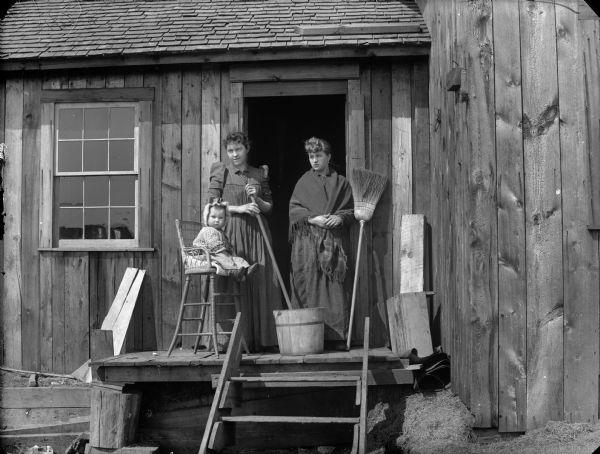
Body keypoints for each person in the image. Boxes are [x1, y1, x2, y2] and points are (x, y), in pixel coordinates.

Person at [207, 131, 281, 351]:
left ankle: (260, 339)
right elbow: (211, 204)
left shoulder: (259, 173)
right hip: (232, 232)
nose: (234, 154)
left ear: (247, 148)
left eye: (238, 149)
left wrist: (256, 198)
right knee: (233, 279)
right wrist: (240, 208)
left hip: (257, 234)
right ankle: (231, 342)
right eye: (230, 150)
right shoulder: (223, 171)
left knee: (258, 279)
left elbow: (268, 208)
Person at [289, 137, 354, 350]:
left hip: (333, 243)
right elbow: (294, 210)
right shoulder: (303, 182)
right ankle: (308, 338)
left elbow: (351, 210)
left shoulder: (342, 182)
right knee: (308, 285)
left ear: (329, 157)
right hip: (308, 244)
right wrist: (311, 219)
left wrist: (341, 218)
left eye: (318, 156)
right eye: (311, 156)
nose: (314, 160)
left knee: (334, 289)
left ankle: (335, 338)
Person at [191, 200, 257, 281]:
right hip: (205, 254)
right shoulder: (208, 230)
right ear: (207, 217)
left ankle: (246, 270)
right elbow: (215, 245)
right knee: (224, 257)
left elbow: (227, 244)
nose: (217, 220)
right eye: (213, 217)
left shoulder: (221, 232)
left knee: (237, 259)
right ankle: (234, 271)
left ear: (225, 219)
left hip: (217, 253)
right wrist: (226, 254)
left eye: (220, 218)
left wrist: (231, 253)